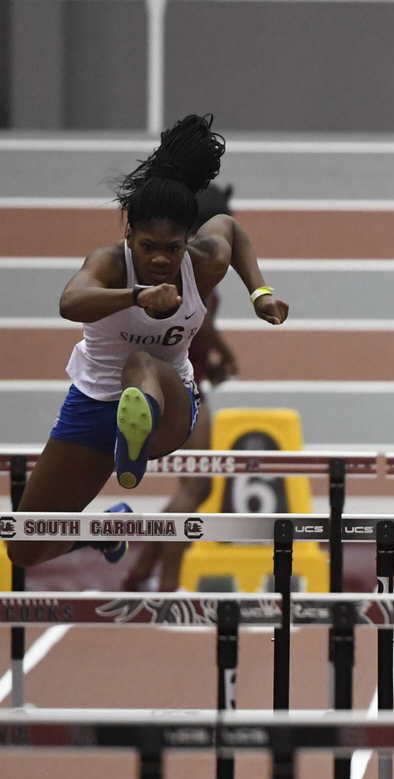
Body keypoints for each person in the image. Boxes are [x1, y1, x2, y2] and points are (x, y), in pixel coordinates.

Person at [5, 115, 287, 571]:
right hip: (93, 406)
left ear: (186, 243)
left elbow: (231, 232)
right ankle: (109, 530)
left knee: (143, 363)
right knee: (25, 546)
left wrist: (260, 292)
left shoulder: (202, 261)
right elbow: (69, 301)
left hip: (168, 405)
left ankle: (137, 427)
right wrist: (137, 295)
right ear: (129, 237)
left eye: (172, 248)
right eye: (148, 246)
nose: (160, 259)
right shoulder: (109, 264)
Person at [124, 184, 240, 592]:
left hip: (181, 373)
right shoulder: (193, 259)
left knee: (198, 484)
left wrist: (215, 357)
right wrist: (224, 352)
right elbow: (200, 318)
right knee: (198, 484)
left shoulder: (174, 255)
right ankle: (168, 585)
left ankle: (142, 569)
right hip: (179, 379)